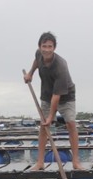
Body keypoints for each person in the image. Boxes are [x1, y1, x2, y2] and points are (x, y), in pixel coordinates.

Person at [24, 31, 82, 170]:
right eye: (44, 46)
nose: (47, 50)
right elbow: (37, 61)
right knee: (44, 127)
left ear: (54, 48)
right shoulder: (39, 54)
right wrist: (30, 74)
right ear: (39, 47)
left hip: (66, 95)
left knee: (71, 124)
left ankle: (75, 161)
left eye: (50, 47)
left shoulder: (60, 66)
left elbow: (57, 96)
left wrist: (51, 116)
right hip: (46, 94)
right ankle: (40, 162)